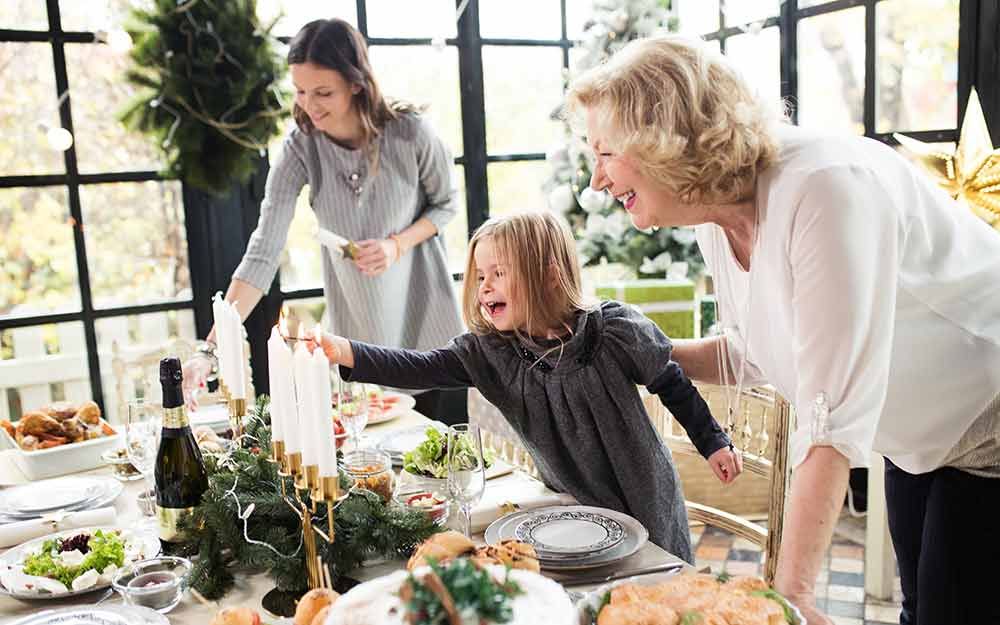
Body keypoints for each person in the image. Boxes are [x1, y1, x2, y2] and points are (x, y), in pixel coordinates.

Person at [566, 34, 1000, 625]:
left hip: (987, 418)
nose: (596, 181)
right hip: (921, 433)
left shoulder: (826, 187)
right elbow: (761, 352)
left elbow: (830, 417)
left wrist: (788, 597)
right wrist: (644, 354)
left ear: (662, 140)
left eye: (605, 153)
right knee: (922, 606)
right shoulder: (714, 219)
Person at [310, 211, 741, 560]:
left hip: (642, 492)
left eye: (499, 273)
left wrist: (713, 441)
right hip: (569, 504)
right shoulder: (493, 353)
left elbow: (673, 382)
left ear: (550, 274)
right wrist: (345, 351)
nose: (485, 287)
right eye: (480, 276)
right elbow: (420, 368)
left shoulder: (613, 331)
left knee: (652, 571)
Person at [183, 18, 467, 423]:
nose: (309, 105)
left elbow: (447, 205)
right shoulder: (301, 148)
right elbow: (263, 252)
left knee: (443, 471)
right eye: (300, 91)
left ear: (356, 82)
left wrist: (396, 244)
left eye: (323, 92)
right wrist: (210, 350)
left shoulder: (411, 133)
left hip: (428, 330)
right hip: (357, 345)